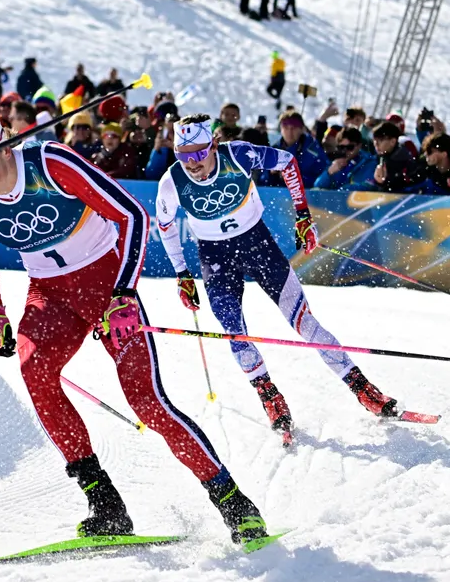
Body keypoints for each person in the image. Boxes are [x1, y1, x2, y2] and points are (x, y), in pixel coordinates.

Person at [0, 101, 271, 547]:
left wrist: (122, 294)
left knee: (147, 402)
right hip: (50, 294)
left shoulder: (50, 163)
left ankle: (235, 503)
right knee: (35, 371)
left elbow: (133, 215)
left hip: (105, 285)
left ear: (3, 144)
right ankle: (105, 505)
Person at [154, 114, 400, 445]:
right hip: (215, 257)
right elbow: (166, 226)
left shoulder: (237, 155)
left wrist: (303, 214)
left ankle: (362, 388)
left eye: (199, 153)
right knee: (234, 331)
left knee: (303, 322)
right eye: (184, 156)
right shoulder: (171, 183)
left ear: (213, 145)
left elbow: (287, 162)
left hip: (257, 244)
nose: (193, 164)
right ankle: (269, 396)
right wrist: (182, 273)